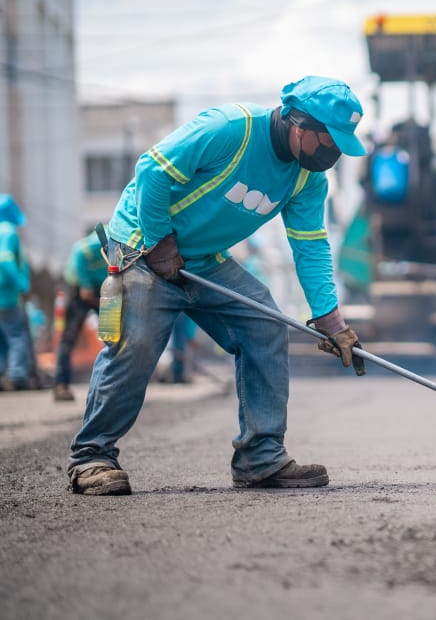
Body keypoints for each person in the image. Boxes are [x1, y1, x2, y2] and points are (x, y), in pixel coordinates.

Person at [67, 76, 370, 496]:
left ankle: (261, 458)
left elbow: (312, 247)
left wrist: (330, 319)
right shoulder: (231, 129)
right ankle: (91, 457)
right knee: (134, 343)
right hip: (142, 246)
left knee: (264, 324)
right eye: (328, 142)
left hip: (203, 261)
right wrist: (158, 241)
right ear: (298, 123)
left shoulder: (306, 179)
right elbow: (152, 169)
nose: (333, 154)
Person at [53, 230, 109, 402]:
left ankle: (111, 384)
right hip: (78, 289)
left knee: (112, 335)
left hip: (102, 289)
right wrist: (85, 285)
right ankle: (61, 385)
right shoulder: (111, 235)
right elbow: (78, 250)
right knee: (69, 337)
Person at [0, 194, 34, 393]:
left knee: (2, 339)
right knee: (17, 335)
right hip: (8, 296)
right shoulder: (8, 232)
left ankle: (3, 374)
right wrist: (22, 285)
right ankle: (17, 376)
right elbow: (5, 261)